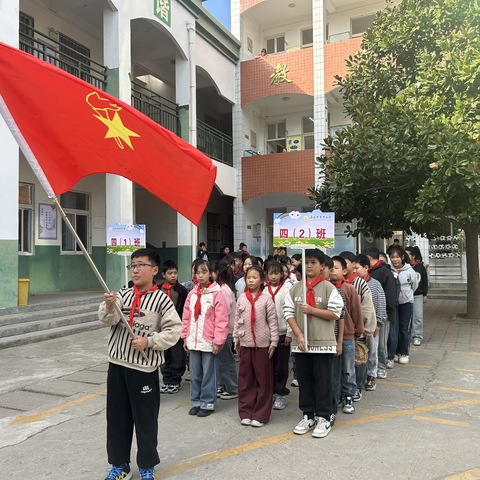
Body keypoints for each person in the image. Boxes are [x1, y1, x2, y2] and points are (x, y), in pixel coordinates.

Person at [98, 248, 182, 480]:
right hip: (117, 365)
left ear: (154, 270)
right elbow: (108, 320)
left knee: (145, 420)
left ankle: (146, 466)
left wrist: (150, 341)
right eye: (132, 265)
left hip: (143, 369)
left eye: (140, 265)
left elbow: (175, 331)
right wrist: (109, 305)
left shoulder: (161, 300)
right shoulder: (123, 294)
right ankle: (119, 466)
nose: (135, 269)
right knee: (116, 419)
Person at [283, 249, 343, 438]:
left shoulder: (328, 288)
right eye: (306, 262)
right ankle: (308, 414)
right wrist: (299, 334)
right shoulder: (295, 288)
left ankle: (324, 417)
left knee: (323, 381)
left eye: (313, 262)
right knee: (305, 381)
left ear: (322, 266)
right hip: (302, 344)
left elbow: (336, 313)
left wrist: (312, 310)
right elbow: (288, 312)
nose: (309, 265)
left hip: (323, 342)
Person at [181, 260, 228, 417]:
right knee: (195, 373)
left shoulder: (217, 294)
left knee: (209, 373)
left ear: (211, 274)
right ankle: (196, 401)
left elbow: (221, 320)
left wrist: (218, 341)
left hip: (209, 341)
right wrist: (185, 337)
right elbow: (186, 317)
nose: (200, 276)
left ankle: (208, 402)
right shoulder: (192, 294)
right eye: (197, 272)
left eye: (203, 272)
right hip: (193, 341)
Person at [234, 266, 278, 427]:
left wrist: (273, 342)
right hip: (245, 344)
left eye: (254, 277)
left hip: (263, 346)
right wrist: (236, 340)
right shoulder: (242, 298)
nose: (251, 280)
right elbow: (236, 320)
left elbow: (273, 322)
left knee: (264, 381)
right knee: (246, 380)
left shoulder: (266, 299)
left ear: (262, 280)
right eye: (248, 277)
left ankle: (261, 414)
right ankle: (246, 411)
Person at [339, 251, 376, 400]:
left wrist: (367, 329)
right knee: (344, 364)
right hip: (340, 332)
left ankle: (357, 389)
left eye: (345, 263)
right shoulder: (334, 284)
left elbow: (367, 307)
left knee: (358, 360)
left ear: (353, 265)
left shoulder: (359, 283)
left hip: (356, 330)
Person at [330, 256, 364, 415]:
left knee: (348, 368)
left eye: (336, 267)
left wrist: (359, 330)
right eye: (330, 268)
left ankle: (349, 395)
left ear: (344, 271)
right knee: (334, 369)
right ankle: (337, 395)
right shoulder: (327, 288)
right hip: (330, 335)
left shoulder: (349, 289)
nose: (332, 271)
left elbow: (356, 311)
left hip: (348, 336)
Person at [354, 254, 387, 392]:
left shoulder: (375, 284)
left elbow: (380, 304)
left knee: (372, 351)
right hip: (357, 326)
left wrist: (377, 323)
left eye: (357, 268)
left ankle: (371, 375)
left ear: (366, 268)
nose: (354, 271)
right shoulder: (352, 283)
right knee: (359, 353)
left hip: (372, 324)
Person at [363, 246, 397, 376]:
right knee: (370, 343)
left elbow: (390, 294)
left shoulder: (384, 272)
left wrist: (387, 312)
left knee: (381, 343)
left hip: (382, 314)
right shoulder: (369, 272)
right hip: (368, 315)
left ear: (370, 259)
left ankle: (381, 366)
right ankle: (370, 367)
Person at [264, 260, 291, 410]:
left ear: (282, 274)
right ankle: (270, 391)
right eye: (270, 273)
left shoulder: (286, 291)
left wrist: (289, 332)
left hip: (281, 333)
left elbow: (289, 313)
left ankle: (280, 393)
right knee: (268, 365)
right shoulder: (263, 291)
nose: (273, 276)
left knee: (281, 365)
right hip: (266, 335)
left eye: (276, 273)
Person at [211, 259, 239, 400]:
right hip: (225, 330)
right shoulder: (225, 288)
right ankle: (224, 385)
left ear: (217, 274)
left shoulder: (224, 290)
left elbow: (223, 313)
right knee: (221, 360)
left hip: (226, 331)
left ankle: (232, 388)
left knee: (226, 360)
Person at [159, 260, 188, 395]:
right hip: (161, 328)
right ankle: (167, 380)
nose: (173, 276)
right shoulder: (158, 289)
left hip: (177, 328)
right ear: (163, 274)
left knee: (177, 355)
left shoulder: (181, 290)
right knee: (164, 354)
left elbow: (185, 310)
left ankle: (175, 380)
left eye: (175, 273)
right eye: (170, 273)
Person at [389, 246, 419, 365]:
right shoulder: (389, 269)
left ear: (402, 257)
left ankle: (404, 352)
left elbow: (414, 285)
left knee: (404, 328)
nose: (395, 260)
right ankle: (395, 352)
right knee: (394, 328)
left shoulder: (409, 270)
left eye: (397, 257)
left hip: (406, 302)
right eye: (392, 257)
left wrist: (407, 294)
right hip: (394, 302)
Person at [405, 246, 428, 346]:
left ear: (413, 256)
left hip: (417, 295)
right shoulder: (404, 267)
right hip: (406, 295)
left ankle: (417, 336)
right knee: (406, 317)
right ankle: (407, 335)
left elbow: (424, 281)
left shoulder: (420, 267)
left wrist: (425, 294)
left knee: (417, 316)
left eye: (408, 254)